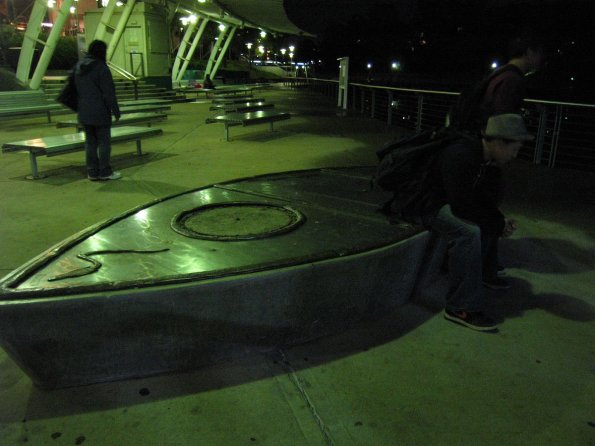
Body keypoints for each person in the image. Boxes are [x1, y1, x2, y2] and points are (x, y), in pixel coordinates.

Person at [419, 114, 534, 331]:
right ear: (499, 142)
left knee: (487, 220)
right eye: (514, 149)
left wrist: (499, 220)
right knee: (468, 231)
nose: (515, 155)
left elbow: (478, 198)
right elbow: (462, 205)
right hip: (423, 203)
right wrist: (496, 223)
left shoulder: (482, 157)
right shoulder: (462, 155)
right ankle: (460, 307)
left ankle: (486, 274)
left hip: (444, 200)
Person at [74, 39, 121, 181]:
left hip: (84, 111)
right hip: (100, 112)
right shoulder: (101, 67)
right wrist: (115, 110)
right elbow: (108, 93)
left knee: (90, 142)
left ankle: (92, 172)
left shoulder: (79, 66)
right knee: (104, 142)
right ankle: (105, 171)